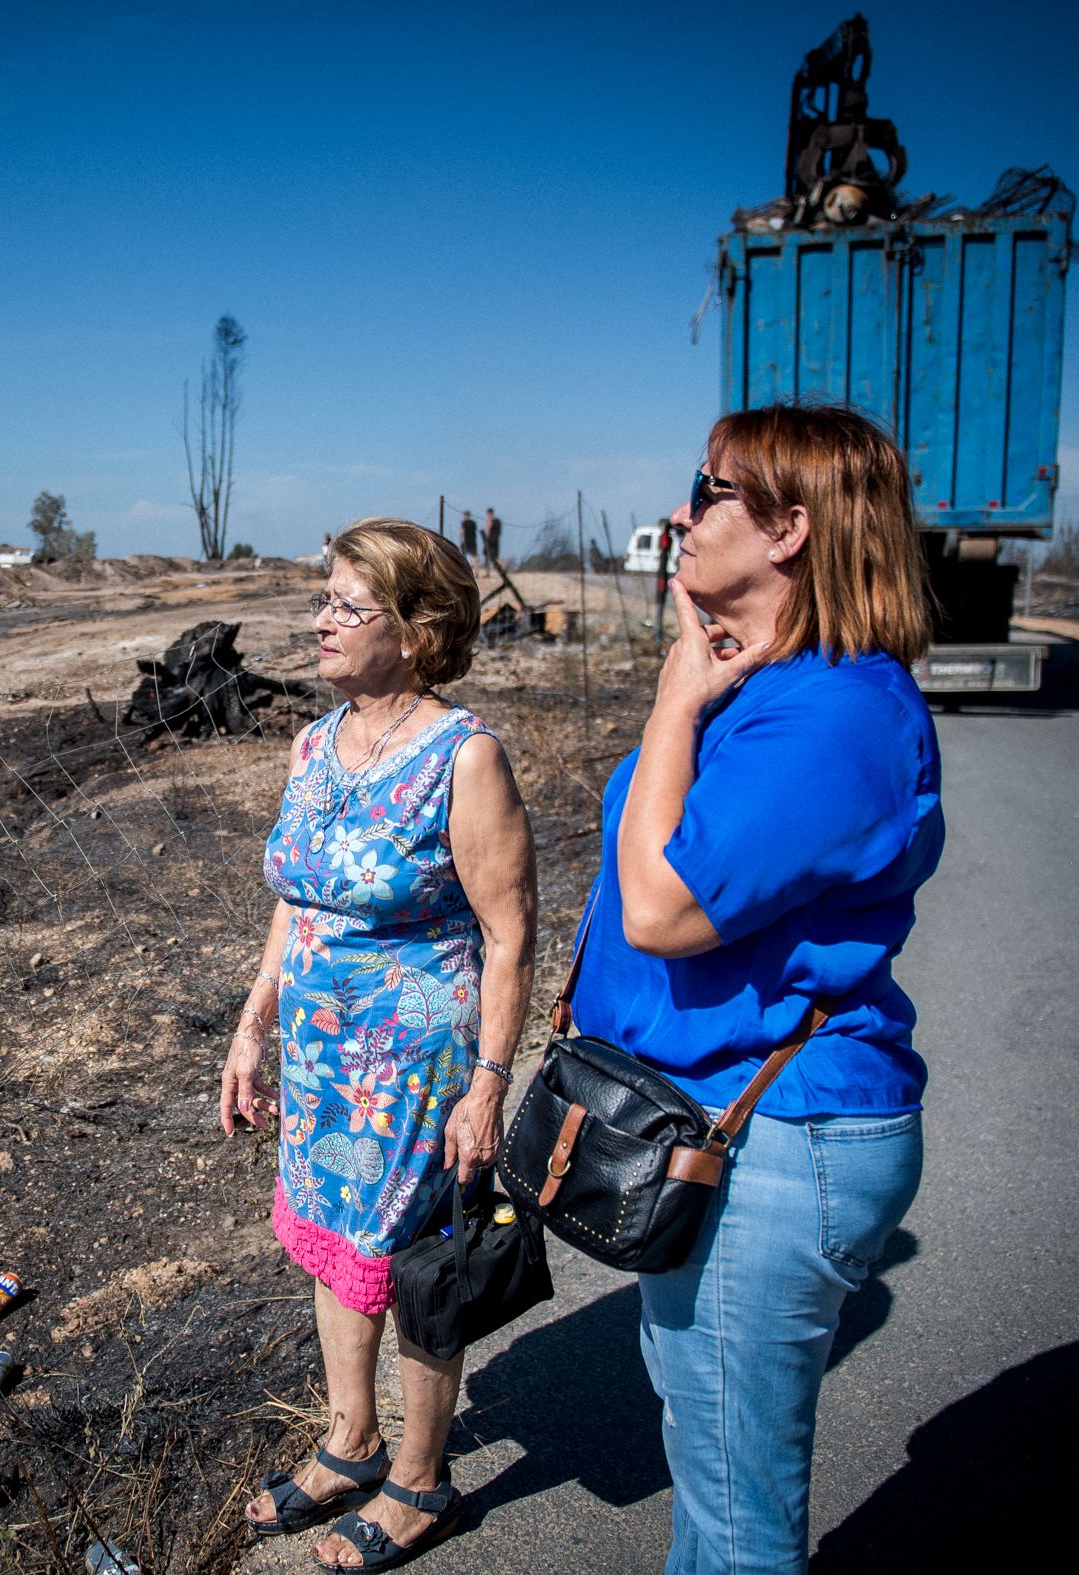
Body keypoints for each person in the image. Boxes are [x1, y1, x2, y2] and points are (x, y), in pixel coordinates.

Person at [564, 403, 941, 1573]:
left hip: (770, 1133)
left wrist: (674, 697)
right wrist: (694, 683)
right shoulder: (763, 686)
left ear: (788, 527)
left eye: (708, 488)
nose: (682, 512)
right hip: (716, 1115)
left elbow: (661, 910)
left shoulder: (833, 715)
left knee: (735, 1523)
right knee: (714, 1475)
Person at [222, 518, 536, 1570]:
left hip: (414, 1064)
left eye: (347, 605)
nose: (319, 619)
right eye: (323, 597)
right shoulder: (314, 743)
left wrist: (489, 1081)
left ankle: (420, 1480)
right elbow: (294, 901)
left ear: (417, 628)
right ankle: (352, 1442)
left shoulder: (463, 753)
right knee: (331, 1240)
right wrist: (252, 1025)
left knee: (410, 1264)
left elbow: (508, 932)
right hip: (319, 1053)